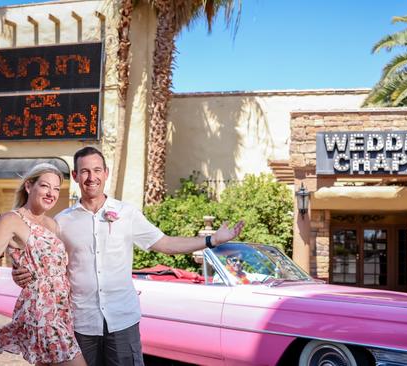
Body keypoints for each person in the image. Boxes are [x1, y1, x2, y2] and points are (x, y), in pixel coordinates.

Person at [13, 147, 244, 366]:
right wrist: (22, 273)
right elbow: (47, 263)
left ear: (106, 173)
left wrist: (211, 240)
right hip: (80, 322)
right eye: (84, 171)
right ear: (75, 175)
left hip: (122, 321)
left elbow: (165, 243)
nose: (91, 177)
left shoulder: (127, 213)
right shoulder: (62, 221)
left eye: (96, 170)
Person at [0, 163, 87, 366]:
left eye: (56, 189)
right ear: (29, 186)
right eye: (45, 186)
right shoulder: (12, 220)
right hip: (41, 309)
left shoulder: (53, 224)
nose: (51, 193)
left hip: (61, 308)